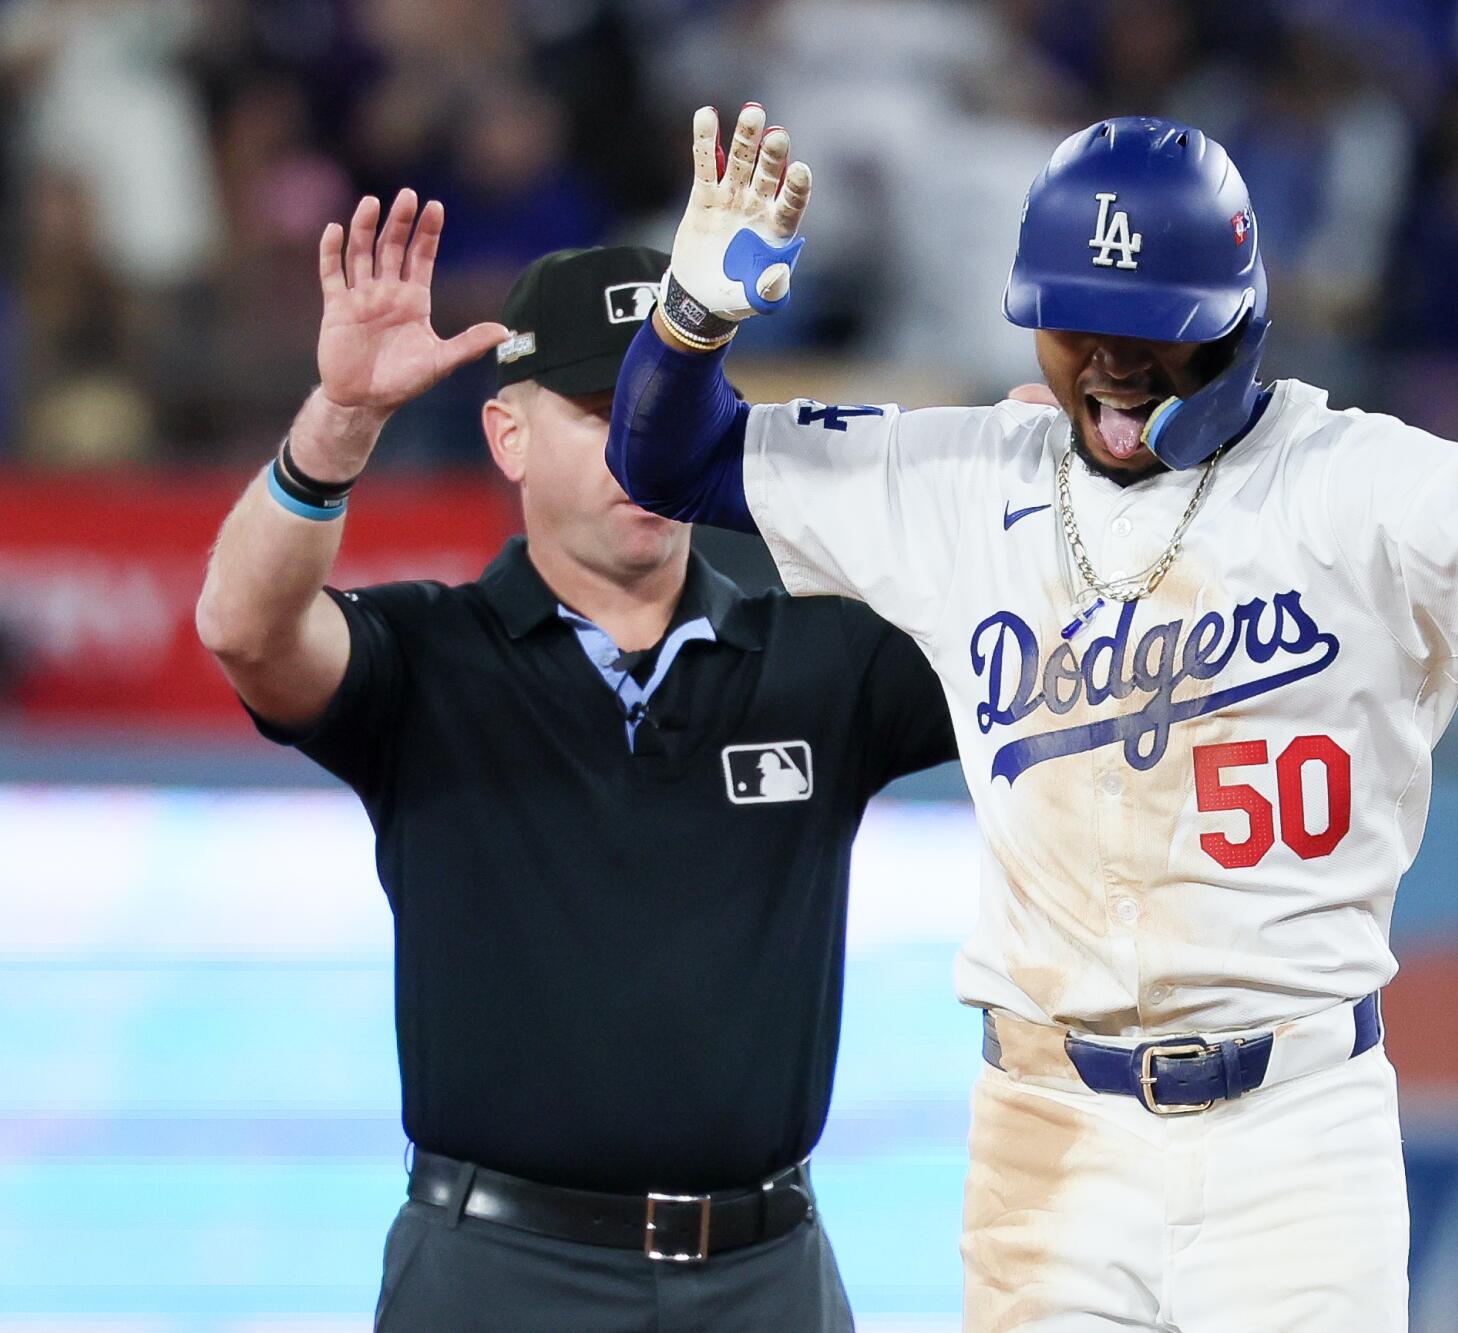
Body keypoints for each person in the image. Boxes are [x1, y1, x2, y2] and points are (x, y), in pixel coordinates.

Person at [604, 107, 1458, 1330]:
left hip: (1295, 1137)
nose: (1109, 362)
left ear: (1238, 325)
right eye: (1077, 324)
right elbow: (671, 461)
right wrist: (692, 316)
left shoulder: (1351, 479)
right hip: (1048, 1128)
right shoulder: (957, 477)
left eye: (1151, 333)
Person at [194, 190, 954, 1331]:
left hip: (768, 1274)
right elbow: (245, 630)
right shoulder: (426, 658)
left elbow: (1056, 652)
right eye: (605, 410)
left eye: (673, 405)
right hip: (499, 1279)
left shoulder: (826, 654)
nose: (645, 444)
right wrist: (339, 423)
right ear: (507, 436)